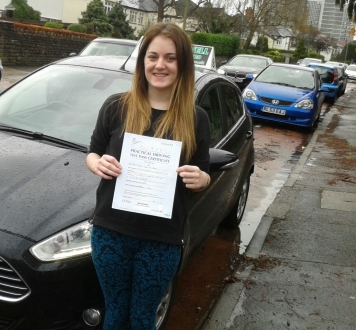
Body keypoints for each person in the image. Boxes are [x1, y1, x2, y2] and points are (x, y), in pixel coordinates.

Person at [86, 22, 212, 330]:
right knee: (114, 315)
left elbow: (204, 170)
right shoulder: (117, 106)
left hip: (161, 240)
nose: (160, 65)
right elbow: (92, 152)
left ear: (182, 65)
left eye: (170, 58)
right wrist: (97, 163)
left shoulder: (196, 119)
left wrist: (202, 179)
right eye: (153, 56)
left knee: (142, 319)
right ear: (143, 61)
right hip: (111, 232)